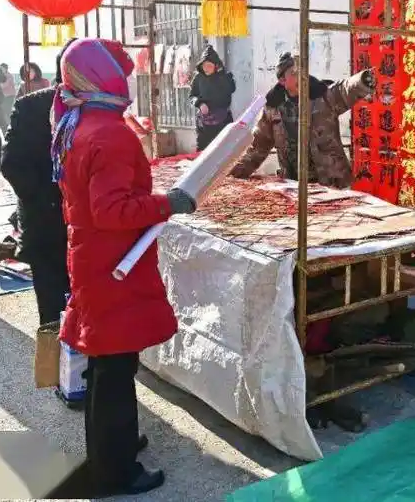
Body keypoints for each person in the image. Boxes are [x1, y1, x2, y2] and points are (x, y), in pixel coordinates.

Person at [52, 37, 196, 496]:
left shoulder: (76, 122)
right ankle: (114, 472)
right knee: (113, 368)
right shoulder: (108, 133)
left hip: (92, 256)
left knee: (106, 361)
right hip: (112, 263)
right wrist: (167, 204)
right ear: (102, 76)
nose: (127, 82)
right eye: (121, 72)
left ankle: (112, 447)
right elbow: (111, 210)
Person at [2, 49, 73, 325]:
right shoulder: (32, 106)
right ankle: (54, 352)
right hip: (47, 226)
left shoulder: (97, 105)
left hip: (85, 227)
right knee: (54, 310)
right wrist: (49, 201)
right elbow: (12, 165)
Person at [230, 52, 375, 186]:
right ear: (282, 80)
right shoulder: (273, 108)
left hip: (331, 182)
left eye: (302, 71)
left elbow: (345, 89)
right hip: (294, 184)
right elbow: (258, 147)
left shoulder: (323, 95)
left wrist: (364, 80)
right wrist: (233, 175)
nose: (301, 76)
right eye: (294, 73)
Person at [189, 44, 236, 151]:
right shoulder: (198, 78)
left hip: (223, 120)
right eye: (204, 65)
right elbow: (192, 96)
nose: (206, 68)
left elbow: (232, 89)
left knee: (225, 150)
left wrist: (224, 76)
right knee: (203, 151)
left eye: (209, 66)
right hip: (204, 122)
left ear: (216, 66)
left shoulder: (224, 77)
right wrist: (199, 103)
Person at [0, 63, 17, 130]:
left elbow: (5, 85)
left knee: (7, 111)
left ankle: (11, 125)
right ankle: (7, 125)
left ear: (6, 69)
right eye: (0, 68)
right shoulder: (1, 76)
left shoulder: (9, 76)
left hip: (10, 96)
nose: (0, 70)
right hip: (4, 97)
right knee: (3, 111)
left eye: (2, 68)